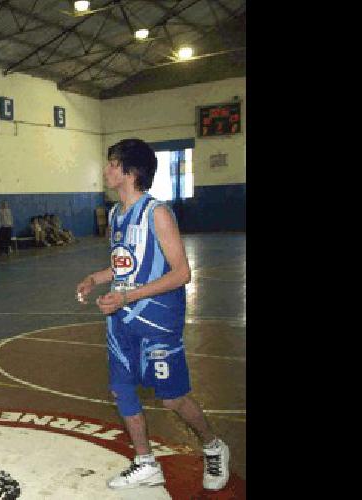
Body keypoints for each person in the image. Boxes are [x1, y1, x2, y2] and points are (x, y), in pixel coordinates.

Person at [75, 139, 229, 491]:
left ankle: (214, 446)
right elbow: (124, 264)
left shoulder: (157, 213)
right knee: (122, 391)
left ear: (130, 171)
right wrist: (96, 278)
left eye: (113, 164)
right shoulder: (115, 215)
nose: (106, 170)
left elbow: (181, 273)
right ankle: (145, 462)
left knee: (173, 397)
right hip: (122, 319)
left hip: (157, 318)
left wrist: (128, 296)